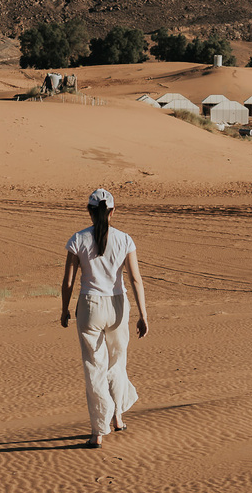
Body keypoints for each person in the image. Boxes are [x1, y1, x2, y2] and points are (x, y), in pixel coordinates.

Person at [60, 188, 149, 449]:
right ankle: (117, 417)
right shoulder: (125, 239)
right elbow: (135, 279)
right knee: (117, 362)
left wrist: (64, 309)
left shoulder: (78, 239)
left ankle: (98, 431)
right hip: (118, 305)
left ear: (89, 211)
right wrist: (143, 315)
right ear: (112, 211)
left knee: (94, 367)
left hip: (90, 307)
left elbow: (68, 281)